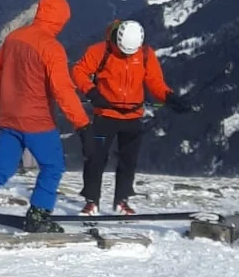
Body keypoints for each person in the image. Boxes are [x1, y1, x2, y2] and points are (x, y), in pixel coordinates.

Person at [0, 0, 91, 234]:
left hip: (9, 118)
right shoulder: (52, 48)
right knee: (52, 167)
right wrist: (83, 125)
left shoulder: (14, 37)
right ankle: (38, 215)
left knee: (0, 167)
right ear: (61, 20)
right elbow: (63, 91)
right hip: (37, 121)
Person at [70, 19, 192, 215]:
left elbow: (155, 82)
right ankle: (91, 201)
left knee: (128, 160)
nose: (127, 54)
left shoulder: (145, 55)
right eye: (123, 50)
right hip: (105, 117)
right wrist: (92, 92)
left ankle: (122, 201)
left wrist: (169, 97)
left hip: (132, 118)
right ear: (116, 39)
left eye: (131, 51)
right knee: (96, 157)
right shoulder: (99, 51)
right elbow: (79, 71)